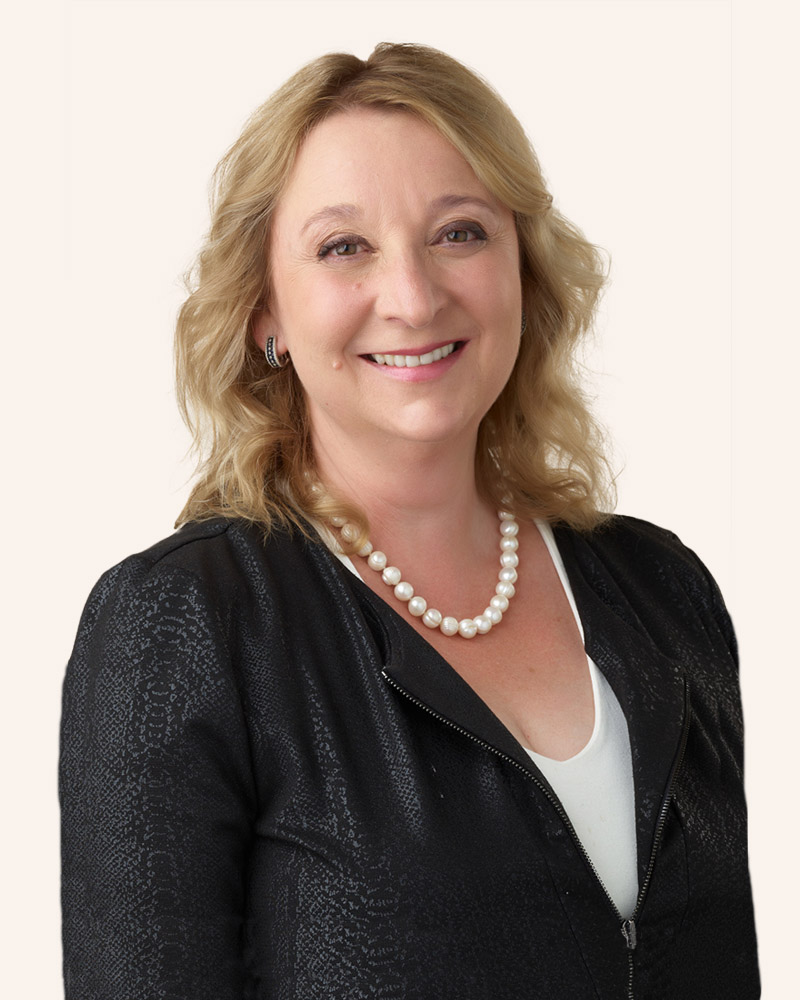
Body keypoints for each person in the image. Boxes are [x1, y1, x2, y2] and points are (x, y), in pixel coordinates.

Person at [59, 43, 759, 999]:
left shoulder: (666, 594)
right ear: (266, 310)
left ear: (523, 266)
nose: (416, 297)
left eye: (461, 232)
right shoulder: (185, 625)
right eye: (344, 247)